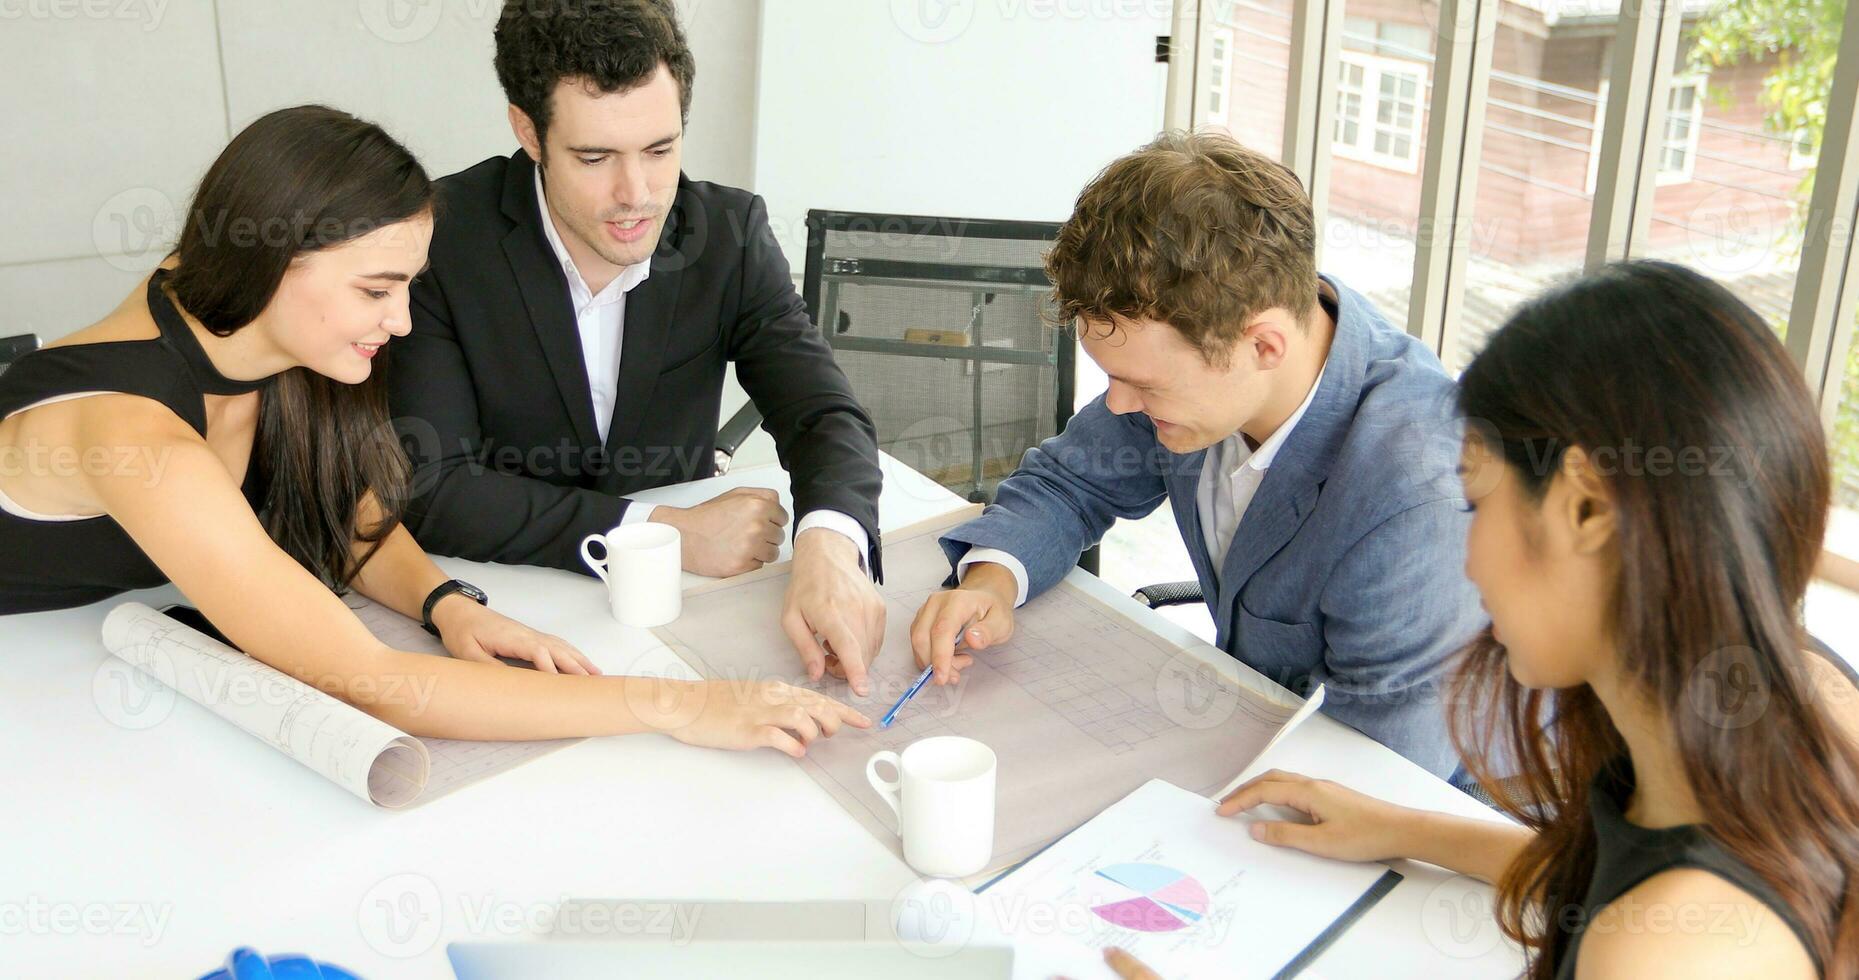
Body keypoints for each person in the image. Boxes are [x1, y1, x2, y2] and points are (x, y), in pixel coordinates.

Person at [0, 105, 866, 756]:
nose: (403, 322)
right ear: (269, 259)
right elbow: (375, 684)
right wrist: (690, 706)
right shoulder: (137, 439)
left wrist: (442, 603)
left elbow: (338, 503)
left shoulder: (238, 312)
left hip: (89, 650)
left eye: (407, 286)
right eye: (376, 290)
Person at [1109, 261, 1859, 978]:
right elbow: (1605, 865)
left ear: (1585, 507)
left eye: (1477, 501)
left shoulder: (1667, 949)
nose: (1465, 559)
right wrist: (1405, 828)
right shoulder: (1768, 701)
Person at [910, 132, 1484, 778]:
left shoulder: (1415, 499)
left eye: (1145, 386)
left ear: (1263, 346)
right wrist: (992, 579)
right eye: (1113, 378)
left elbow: (1382, 782)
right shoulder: (1220, 336)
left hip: (1448, 820)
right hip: (1254, 731)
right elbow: (1070, 482)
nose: (1119, 407)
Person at [389, 0, 890, 698]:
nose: (638, 195)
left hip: (689, 617)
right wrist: (657, 528)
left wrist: (830, 542)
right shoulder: (441, 238)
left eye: (660, 150)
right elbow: (432, 486)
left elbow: (822, 415)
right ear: (527, 131)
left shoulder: (730, 234)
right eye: (594, 157)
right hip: (507, 606)